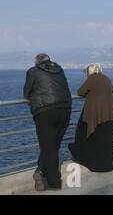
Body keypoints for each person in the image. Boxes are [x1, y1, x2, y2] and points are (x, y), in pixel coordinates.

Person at [23, 54, 72, 191]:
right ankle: (39, 171)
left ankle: (54, 182)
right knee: (53, 145)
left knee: (47, 147)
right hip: (65, 109)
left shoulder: (32, 71)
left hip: (45, 111)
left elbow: (27, 92)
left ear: (36, 62)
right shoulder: (59, 69)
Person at [69, 64, 113, 172]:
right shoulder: (106, 78)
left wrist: (90, 94)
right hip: (109, 113)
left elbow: (80, 92)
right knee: (105, 141)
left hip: (95, 114)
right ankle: (105, 166)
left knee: (87, 136)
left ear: (89, 72)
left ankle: (91, 162)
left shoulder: (92, 78)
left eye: (86, 73)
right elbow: (112, 89)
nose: (86, 75)